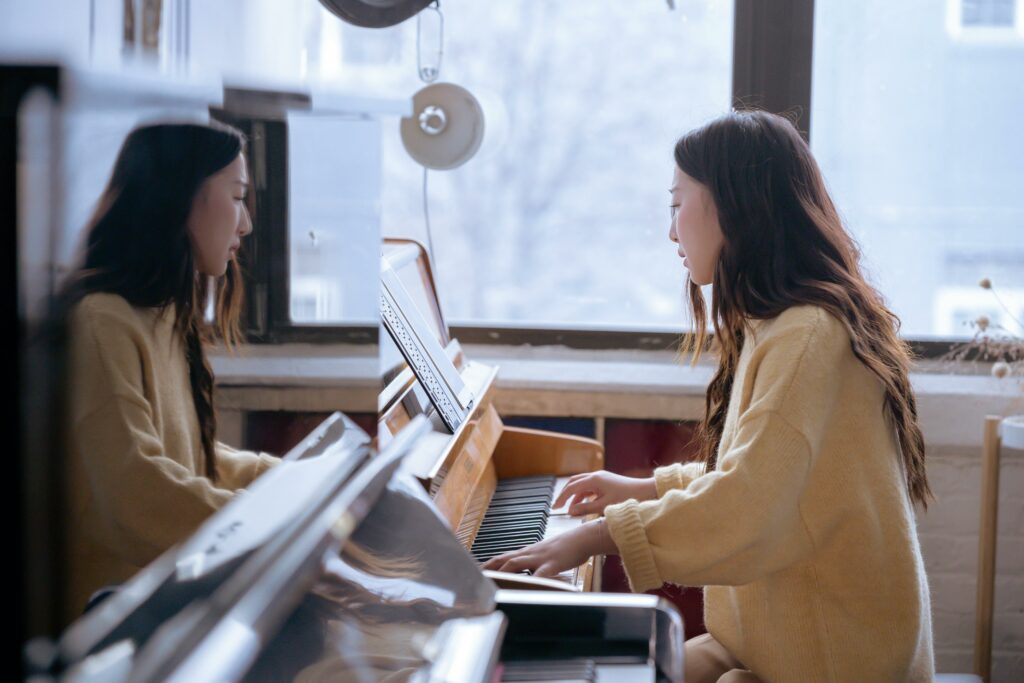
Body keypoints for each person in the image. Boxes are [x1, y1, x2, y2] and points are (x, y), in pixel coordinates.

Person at [484, 110, 935, 682]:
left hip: (832, 659)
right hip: (768, 642)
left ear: (735, 205)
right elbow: (770, 471)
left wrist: (598, 537)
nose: (671, 230)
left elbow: (746, 504)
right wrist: (647, 487)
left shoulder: (807, 336)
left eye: (677, 205)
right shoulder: (782, 326)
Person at [57, 122, 279, 628]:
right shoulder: (100, 322)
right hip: (114, 620)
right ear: (181, 198)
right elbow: (140, 491)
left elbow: (191, 461)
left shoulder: (160, 313)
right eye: (238, 197)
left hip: (167, 595)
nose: (245, 224)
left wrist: (292, 480)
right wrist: (269, 518)